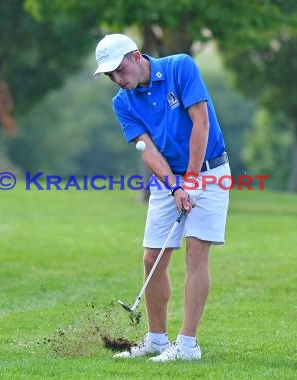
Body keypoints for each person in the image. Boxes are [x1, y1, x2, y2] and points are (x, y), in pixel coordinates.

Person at [93, 33, 230, 362]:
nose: (117, 79)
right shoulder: (122, 103)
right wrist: (176, 187)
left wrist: (194, 179)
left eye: (120, 70)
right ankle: (155, 340)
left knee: (195, 253)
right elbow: (148, 150)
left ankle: (187, 345)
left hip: (210, 172)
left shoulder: (180, 67)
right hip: (170, 179)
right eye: (110, 75)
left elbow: (201, 121)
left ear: (136, 56)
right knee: (151, 259)